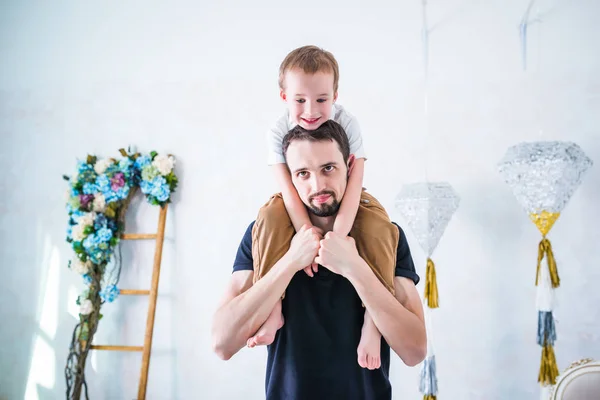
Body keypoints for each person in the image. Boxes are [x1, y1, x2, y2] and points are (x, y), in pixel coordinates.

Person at [211, 120, 427, 400]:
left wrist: (355, 268)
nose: (318, 185)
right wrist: (290, 261)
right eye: (303, 173)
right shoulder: (263, 236)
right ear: (290, 177)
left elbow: (415, 351)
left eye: (328, 168)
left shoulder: (385, 236)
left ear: (349, 167)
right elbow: (221, 343)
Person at [249, 45, 401, 369]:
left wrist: (338, 237)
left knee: (379, 229)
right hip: (297, 197)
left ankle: (373, 323)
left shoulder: (348, 122)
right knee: (268, 219)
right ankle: (273, 307)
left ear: (335, 95)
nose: (311, 110)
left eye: (321, 99)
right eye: (300, 100)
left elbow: (356, 178)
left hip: (348, 195)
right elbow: (288, 189)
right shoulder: (277, 132)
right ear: (284, 97)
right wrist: (307, 235)